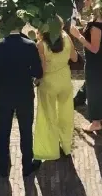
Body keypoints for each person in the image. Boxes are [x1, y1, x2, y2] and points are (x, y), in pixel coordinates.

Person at [0, 28, 44, 177]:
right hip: (24, 94)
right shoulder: (29, 45)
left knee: (3, 130)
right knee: (26, 130)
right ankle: (27, 165)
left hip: (3, 93)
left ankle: (3, 165)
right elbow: (38, 72)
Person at [69, 0, 102, 133]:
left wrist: (78, 36)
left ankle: (96, 122)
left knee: (94, 90)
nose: (85, 2)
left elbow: (94, 48)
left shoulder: (96, 26)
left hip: (95, 61)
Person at [32, 24, 76, 161]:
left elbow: (43, 68)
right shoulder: (66, 37)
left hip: (49, 83)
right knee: (66, 113)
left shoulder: (41, 45)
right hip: (65, 80)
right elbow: (74, 58)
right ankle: (66, 146)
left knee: (48, 116)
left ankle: (50, 150)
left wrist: (36, 81)